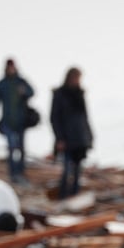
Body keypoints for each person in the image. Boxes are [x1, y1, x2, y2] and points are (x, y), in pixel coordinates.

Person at [0, 59, 35, 185]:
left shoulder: (21, 82)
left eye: (12, 67)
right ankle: (13, 175)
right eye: (9, 67)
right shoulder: (2, 84)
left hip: (21, 122)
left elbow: (32, 92)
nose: (11, 69)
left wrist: (24, 91)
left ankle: (21, 173)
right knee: (11, 147)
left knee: (21, 149)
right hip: (7, 122)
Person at [50, 67, 93, 199]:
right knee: (66, 170)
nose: (77, 81)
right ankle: (62, 197)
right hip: (67, 138)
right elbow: (54, 118)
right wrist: (59, 138)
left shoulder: (80, 94)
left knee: (77, 171)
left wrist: (89, 137)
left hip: (80, 139)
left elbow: (85, 117)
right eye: (76, 78)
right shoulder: (60, 94)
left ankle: (74, 197)